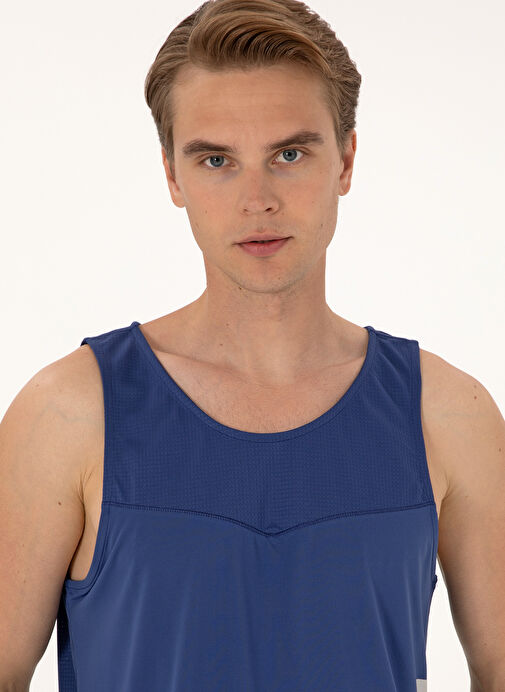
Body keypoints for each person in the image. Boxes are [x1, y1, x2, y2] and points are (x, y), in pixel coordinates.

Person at [1, 0, 504, 690]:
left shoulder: (448, 415)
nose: (257, 199)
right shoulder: (67, 413)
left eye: (289, 154)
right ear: (173, 176)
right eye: (217, 160)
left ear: (345, 161)